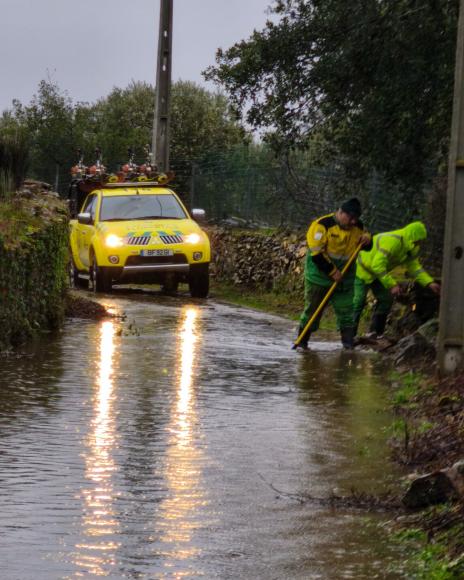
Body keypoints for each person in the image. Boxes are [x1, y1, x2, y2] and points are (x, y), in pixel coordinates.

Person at [297, 198, 371, 350]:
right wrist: (332, 271)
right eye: (350, 218)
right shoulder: (321, 226)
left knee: (346, 310)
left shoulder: (358, 226)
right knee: (313, 310)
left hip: (345, 277)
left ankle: (348, 345)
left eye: (356, 219)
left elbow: (365, 245)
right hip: (319, 277)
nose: (353, 222)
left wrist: (367, 240)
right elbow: (316, 255)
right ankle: (302, 341)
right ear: (341, 212)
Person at [353, 221, 440, 339]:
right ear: (413, 237)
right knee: (358, 301)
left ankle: (375, 334)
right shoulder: (393, 241)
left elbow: (415, 268)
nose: (420, 243)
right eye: (419, 239)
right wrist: (392, 285)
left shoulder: (410, 247)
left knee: (386, 299)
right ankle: (348, 336)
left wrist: (429, 283)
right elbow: (377, 265)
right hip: (362, 270)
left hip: (378, 274)